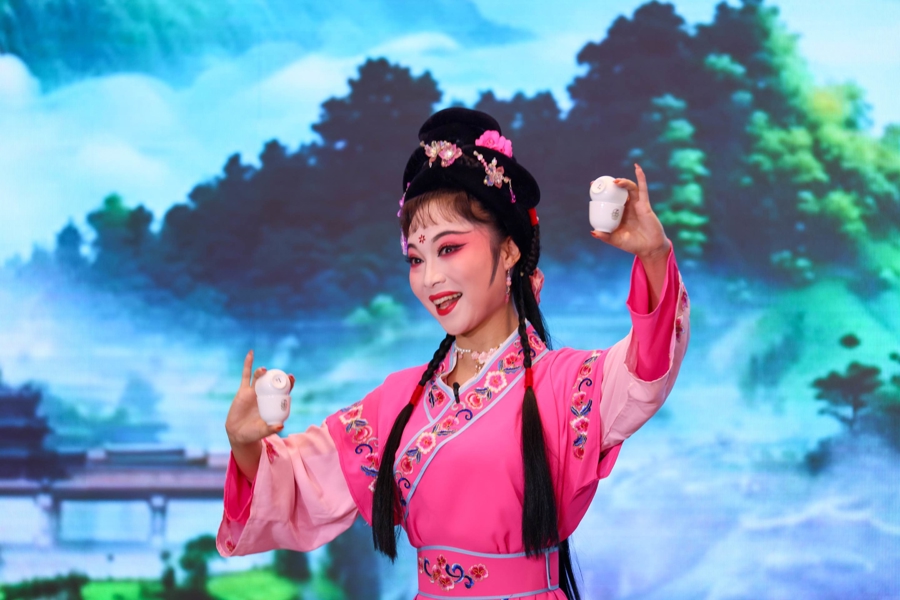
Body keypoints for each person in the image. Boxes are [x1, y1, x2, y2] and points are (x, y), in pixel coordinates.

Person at [218, 108, 690, 599]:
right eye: (415, 258)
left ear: (509, 251)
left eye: (449, 249)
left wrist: (654, 257)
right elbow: (302, 483)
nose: (430, 278)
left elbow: (646, 370)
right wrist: (245, 445)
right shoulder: (397, 401)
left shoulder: (568, 385)